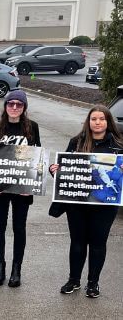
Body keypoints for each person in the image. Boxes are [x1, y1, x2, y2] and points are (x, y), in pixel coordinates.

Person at [49, 105, 122, 298]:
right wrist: (54, 170)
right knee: (78, 242)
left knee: (98, 243)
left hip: (104, 204)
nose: (97, 122)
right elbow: (64, 167)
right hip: (77, 202)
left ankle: (93, 283)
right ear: (88, 122)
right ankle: (74, 280)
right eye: (93, 119)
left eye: (101, 119)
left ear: (108, 122)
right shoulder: (76, 142)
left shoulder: (118, 146)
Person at [0, 90, 41, 287]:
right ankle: (0, 266)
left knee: (19, 227)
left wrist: (31, 185)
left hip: (22, 188)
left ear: (24, 108)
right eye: (11, 104)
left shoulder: (32, 128)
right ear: (5, 106)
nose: (14, 107)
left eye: (19, 104)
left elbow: (37, 158)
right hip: (0, 187)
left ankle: (17, 268)